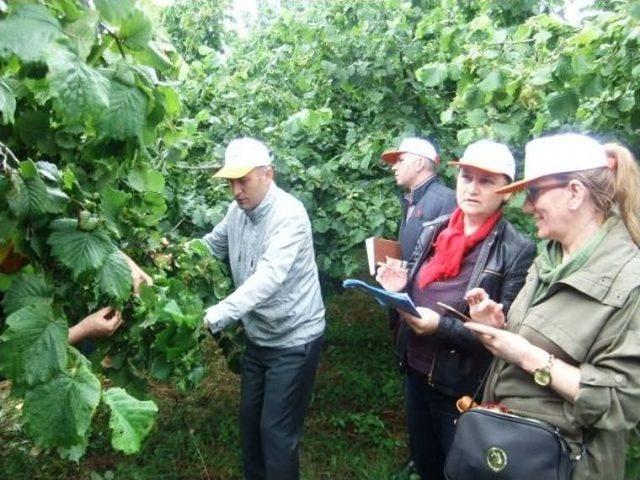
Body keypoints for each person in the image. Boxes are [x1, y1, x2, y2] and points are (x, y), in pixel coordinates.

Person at [464, 133, 640, 480]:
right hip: (512, 454)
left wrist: (526, 355)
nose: (527, 207)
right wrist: (498, 328)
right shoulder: (549, 259)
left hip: (569, 467)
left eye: (534, 193)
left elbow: (624, 402)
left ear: (575, 192)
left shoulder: (630, 281)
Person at [376, 139, 536, 480]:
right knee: (425, 461)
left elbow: (504, 336)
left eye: (486, 181)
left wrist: (441, 328)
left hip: (461, 386)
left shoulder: (517, 250)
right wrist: (398, 288)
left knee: (461, 469)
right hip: (416, 370)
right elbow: (419, 293)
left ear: (507, 192)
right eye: (466, 177)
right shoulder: (436, 229)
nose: (472, 188)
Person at [201, 137, 325, 480]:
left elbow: (268, 277)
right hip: (259, 337)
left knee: (276, 431)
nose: (236, 190)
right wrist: (176, 256)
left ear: (267, 174)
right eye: (231, 182)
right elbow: (213, 244)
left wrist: (217, 314)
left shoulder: (289, 215)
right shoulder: (236, 211)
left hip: (294, 339)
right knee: (250, 421)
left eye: (244, 181)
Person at [381, 137, 456, 261]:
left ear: (419, 163)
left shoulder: (448, 200)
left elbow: (447, 259)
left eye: (400, 160)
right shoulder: (410, 200)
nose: (394, 167)